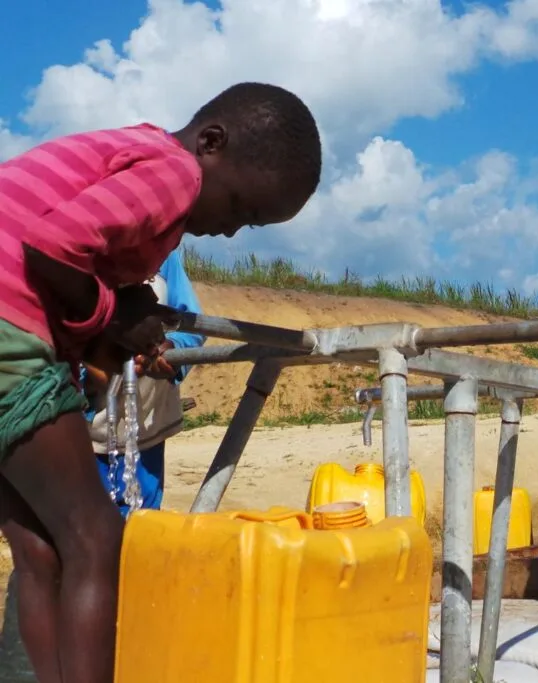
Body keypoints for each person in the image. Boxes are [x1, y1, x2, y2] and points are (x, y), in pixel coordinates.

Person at [0, 82, 321, 683]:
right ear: (211, 143)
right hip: (6, 324)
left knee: (42, 550)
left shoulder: (132, 155)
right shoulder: (175, 173)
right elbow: (50, 247)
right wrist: (116, 316)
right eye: (243, 210)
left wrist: (117, 309)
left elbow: (60, 243)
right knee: (97, 539)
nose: (231, 231)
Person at [87, 248, 206, 515]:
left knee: (142, 518)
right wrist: (93, 368)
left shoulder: (165, 255)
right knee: (86, 524)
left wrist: (173, 350)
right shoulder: (79, 254)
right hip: (83, 430)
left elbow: (192, 324)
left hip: (147, 426)